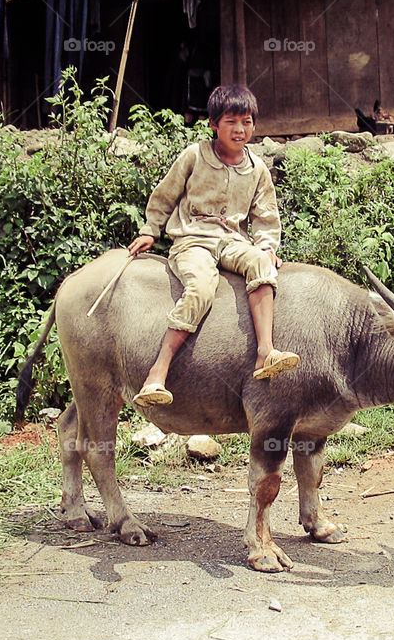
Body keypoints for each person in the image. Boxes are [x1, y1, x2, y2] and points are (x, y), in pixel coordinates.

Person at [127, 84, 300, 407]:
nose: (239, 129)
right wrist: (151, 229)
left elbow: (265, 217)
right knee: (201, 288)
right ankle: (157, 372)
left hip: (233, 241)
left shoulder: (257, 168)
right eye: (231, 121)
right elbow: (165, 195)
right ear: (213, 124)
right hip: (193, 240)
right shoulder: (195, 156)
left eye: (247, 122)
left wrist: (266, 247)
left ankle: (266, 352)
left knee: (262, 264)